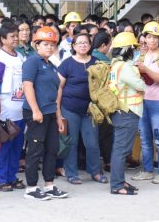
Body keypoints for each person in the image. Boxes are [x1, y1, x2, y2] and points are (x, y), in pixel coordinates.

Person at [21, 26, 68, 201]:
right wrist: (35, 110)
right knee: (35, 150)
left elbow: (55, 93)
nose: (49, 47)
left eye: (51, 44)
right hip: (36, 113)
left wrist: (58, 116)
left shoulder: (51, 65)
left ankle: (49, 185)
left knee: (52, 149)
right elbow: (27, 85)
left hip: (50, 112)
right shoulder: (32, 61)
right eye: (45, 44)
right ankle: (31, 187)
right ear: (36, 45)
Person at [57, 32, 106, 185]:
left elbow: (103, 86)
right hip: (70, 108)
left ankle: (95, 172)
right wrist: (58, 110)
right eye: (79, 43)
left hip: (90, 110)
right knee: (71, 142)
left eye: (86, 42)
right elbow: (59, 88)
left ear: (90, 45)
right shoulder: (67, 63)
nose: (83, 45)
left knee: (92, 142)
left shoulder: (97, 62)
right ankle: (71, 173)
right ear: (73, 46)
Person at [132, 20, 159, 185]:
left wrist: (146, 70)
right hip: (142, 101)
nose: (153, 40)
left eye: (156, 37)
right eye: (149, 37)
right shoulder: (140, 55)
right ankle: (148, 170)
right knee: (144, 138)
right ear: (144, 38)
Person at [0, 20, 27, 191]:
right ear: (3, 39)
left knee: (15, 147)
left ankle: (11, 177)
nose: (16, 39)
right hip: (4, 109)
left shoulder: (20, 57)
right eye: (12, 37)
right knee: (1, 146)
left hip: (19, 109)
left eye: (16, 36)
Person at [107, 31, 146, 196]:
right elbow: (140, 85)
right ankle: (116, 185)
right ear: (126, 50)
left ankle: (120, 180)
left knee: (120, 148)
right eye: (133, 48)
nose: (135, 51)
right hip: (128, 111)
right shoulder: (126, 67)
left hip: (120, 110)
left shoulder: (115, 65)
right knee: (121, 149)